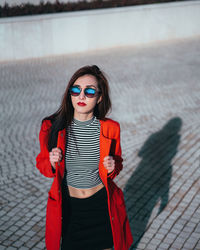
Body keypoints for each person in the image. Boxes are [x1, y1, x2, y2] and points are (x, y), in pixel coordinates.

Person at [36, 65, 133, 250]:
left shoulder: (110, 128)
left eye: (89, 91)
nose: (81, 96)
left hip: (101, 208)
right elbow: (42, 165)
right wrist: (50, 161)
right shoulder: (51, 127)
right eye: (76, 90)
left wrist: (113, 166)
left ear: (99, 97)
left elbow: (117, 164)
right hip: (70, 210)